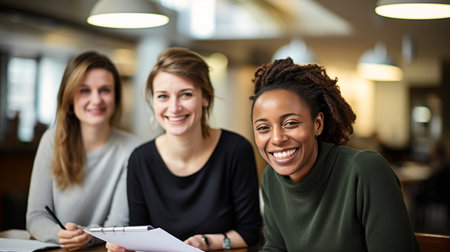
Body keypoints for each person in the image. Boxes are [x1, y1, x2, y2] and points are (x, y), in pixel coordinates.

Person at [250, 58, 420, 251]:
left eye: (290, 123)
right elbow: (275, 248)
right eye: (263, 128)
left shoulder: (365, 170)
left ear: (318, 124)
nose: (277, 138)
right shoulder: (271, 179)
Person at [106, 47, 262, 251]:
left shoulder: (236, 150)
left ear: (205, 98)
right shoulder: (140, 159)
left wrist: (206, 242)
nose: (174, 107)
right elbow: (140, 232)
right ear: (153, 101)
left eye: (185, 94)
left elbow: (249, 233)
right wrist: (127, 245)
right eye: (163, 96)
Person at [26, 51, 141, 250]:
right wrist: (59, 235)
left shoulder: (132, 149)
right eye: (84, 90)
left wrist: (85, 236)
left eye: (105, 90)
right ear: (69, 99)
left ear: (116, 97)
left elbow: (119, 224)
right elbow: (36, 216)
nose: (96, 100)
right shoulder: (51, 141)